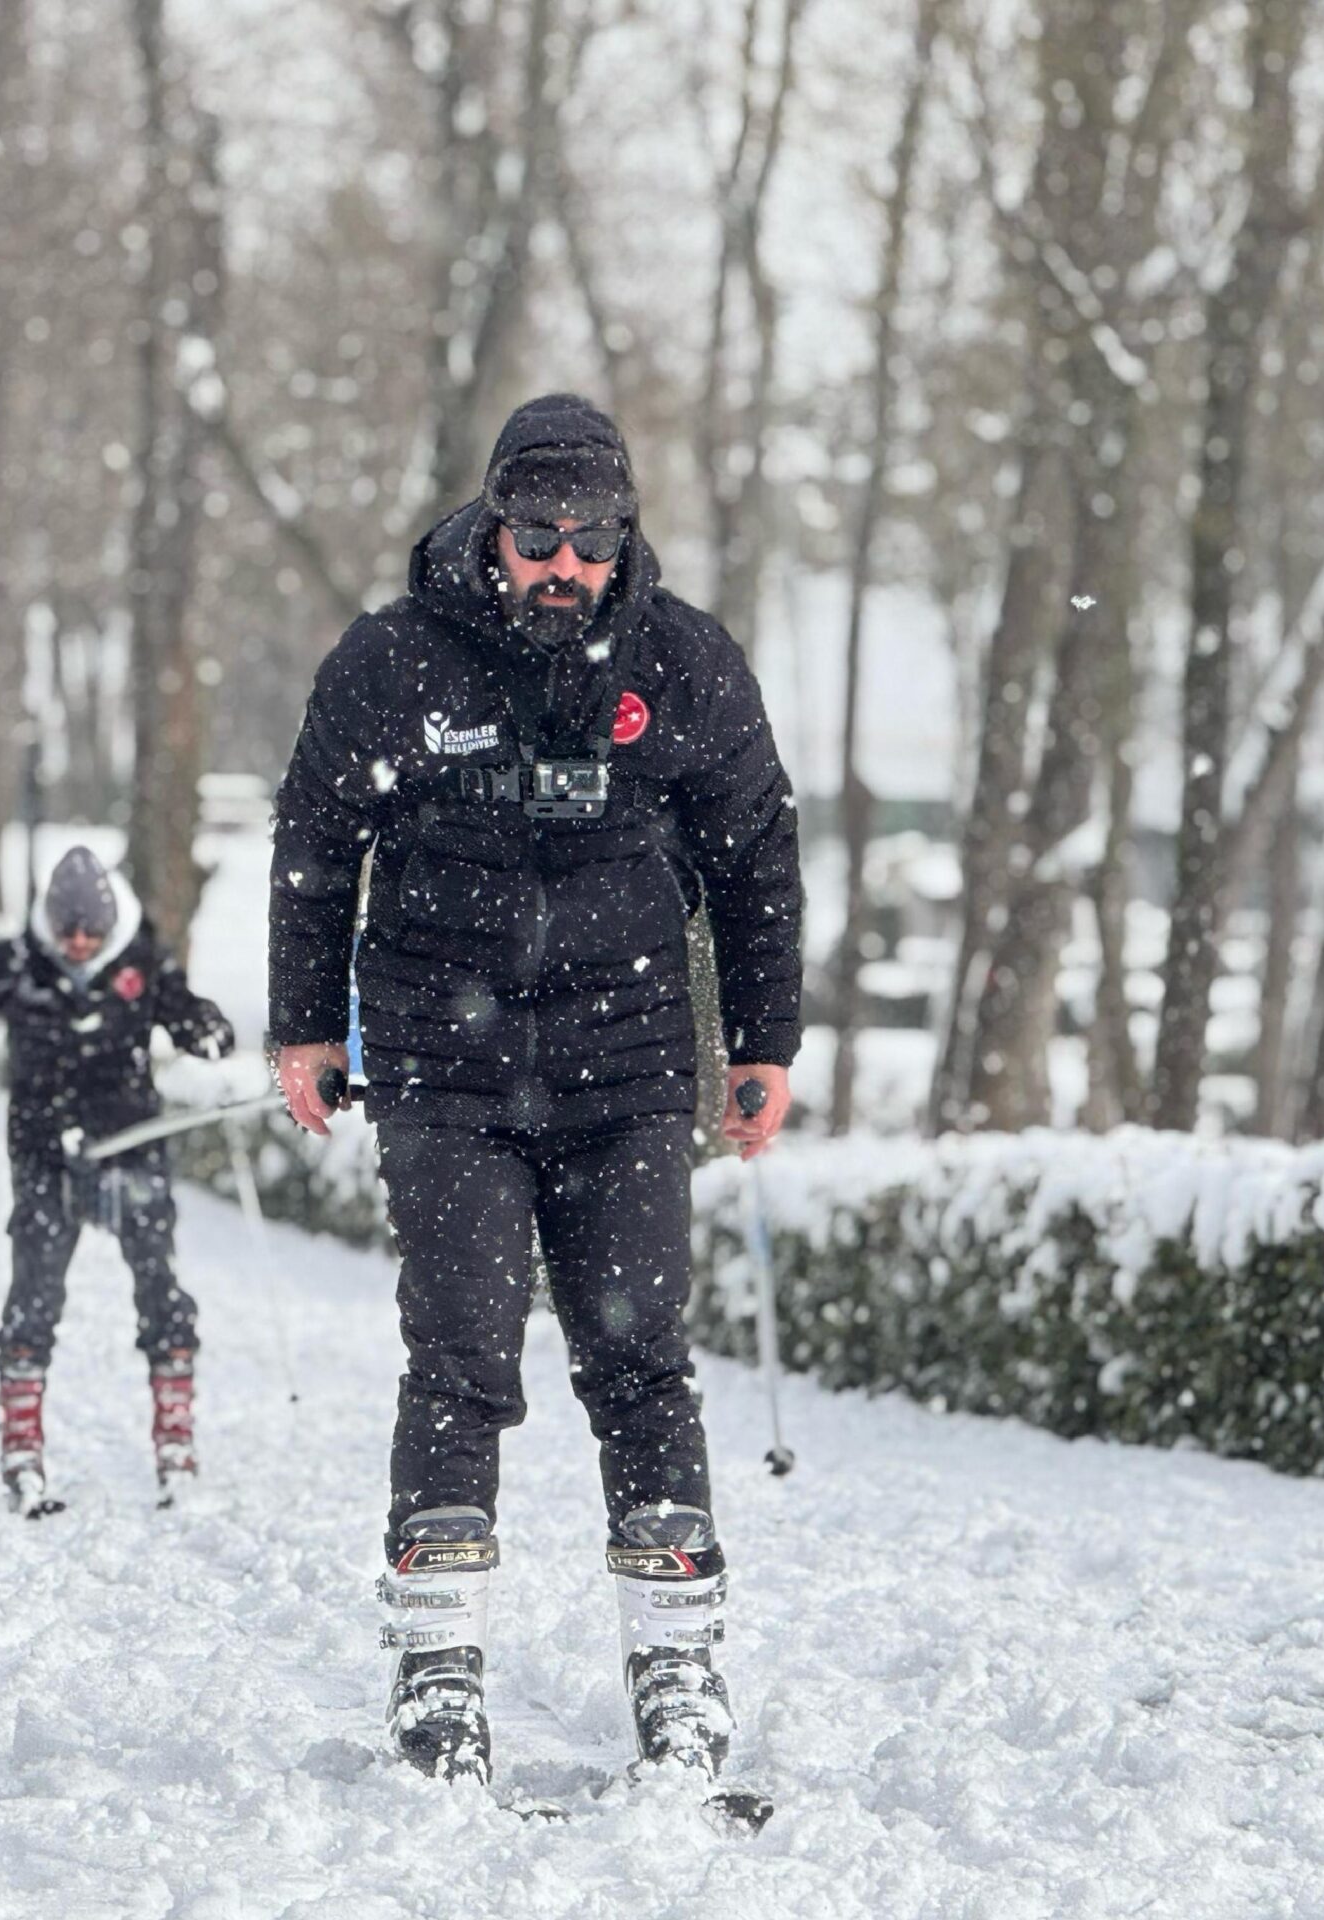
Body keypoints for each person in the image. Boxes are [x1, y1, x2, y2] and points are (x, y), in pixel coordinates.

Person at [267, 393, 803, 1794]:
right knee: (461, 1354)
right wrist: (302, 1027)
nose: (563, 565)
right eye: (538, 536)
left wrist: (767, 1039)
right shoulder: (397, 662)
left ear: (624, 536)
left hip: (626, 1072)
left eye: (591, 538)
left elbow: (755, 853)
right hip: (447, 1073)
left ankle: (679, 1670)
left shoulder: (681, 665)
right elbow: (318, 836)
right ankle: (438, 1671)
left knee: (640, 1362)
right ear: (492, 526)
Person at [0, 846, 237, 1516]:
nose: (81, 944)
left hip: (129, 1144)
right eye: (70, 932)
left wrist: (205, 1028)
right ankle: (21, 1449)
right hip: (44, 1152)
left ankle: (176, 1446)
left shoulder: (141, 957)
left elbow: (182, 1010)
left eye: (91, 931)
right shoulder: (18, 962)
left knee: (160, 1286)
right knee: (33, 1293)